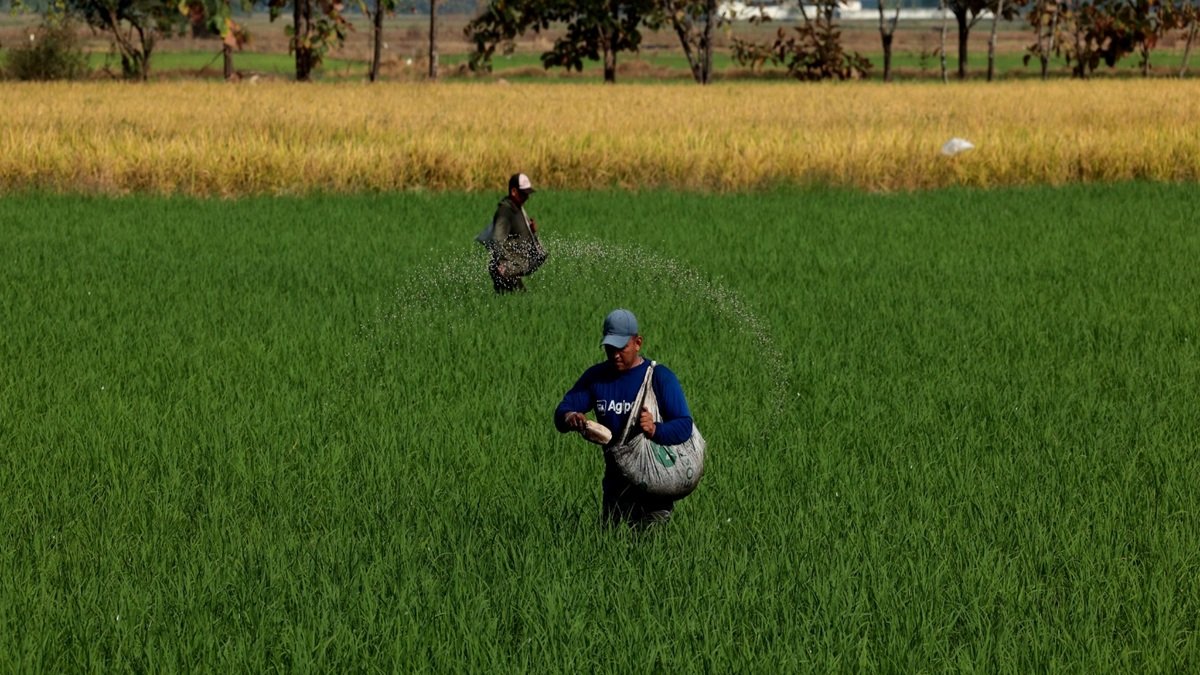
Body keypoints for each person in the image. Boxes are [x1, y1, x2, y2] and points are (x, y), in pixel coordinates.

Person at [554, 308, 695, 528]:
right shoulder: (597, 377)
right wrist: (571, 417)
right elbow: (563, 411)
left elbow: (684, 426)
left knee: (652, 551)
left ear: (637, 343)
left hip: (654, 486)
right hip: (615, 487)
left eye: (621, 348)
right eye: (610, 348)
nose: (615, 355)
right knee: (613, 548)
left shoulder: (659, 377)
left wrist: (655, 430)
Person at [485, 173, 545, 293]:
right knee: (517, 303)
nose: (527, 197)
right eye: (524, 194)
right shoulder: (505, 212)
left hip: (513, 271)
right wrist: (503, 266)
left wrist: (531, 231)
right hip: (505, 272)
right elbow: (497, 241)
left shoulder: (517, 209)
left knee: (520, 302)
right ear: (514, 191)